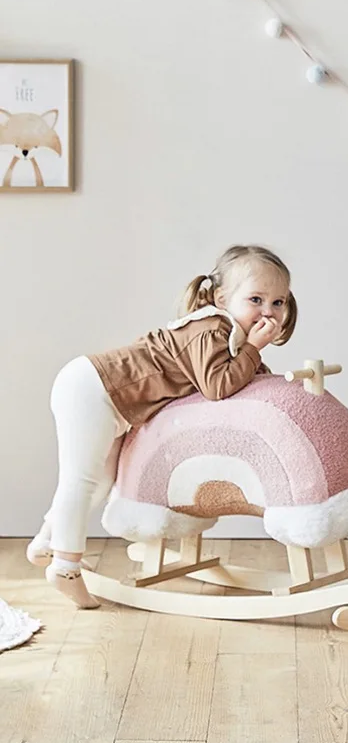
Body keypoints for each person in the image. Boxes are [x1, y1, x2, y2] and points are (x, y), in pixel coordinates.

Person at [27, 244, 297, 608]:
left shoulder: (228, 335)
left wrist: (256, 362)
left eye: (278, 302)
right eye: (256, 300)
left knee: (100, 482)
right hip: (92, 387)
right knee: (82, 479)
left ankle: (47, 540)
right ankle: (65, 568)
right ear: (221, 298)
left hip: (112, 400)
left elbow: (239, 378)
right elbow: (218, 387)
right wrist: (254, 348)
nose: (268, 312)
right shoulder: (210, 329)